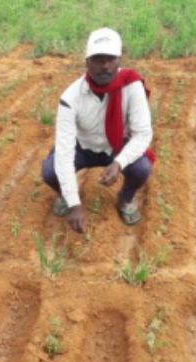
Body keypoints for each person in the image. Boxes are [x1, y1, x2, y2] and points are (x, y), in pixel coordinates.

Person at [41, 27, 155, 233]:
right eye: (97, 59)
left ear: (119, 60)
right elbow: (65, 153)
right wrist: (75, 204)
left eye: (110, 58)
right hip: (82, 147)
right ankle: (66, 196)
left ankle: (125, 199)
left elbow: (143, 134)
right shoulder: (70, 98)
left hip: (116, 146)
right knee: (50, 171)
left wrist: (119, 163)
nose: (104, 65)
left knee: (141, 169)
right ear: (87, 63)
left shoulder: (132, 86)